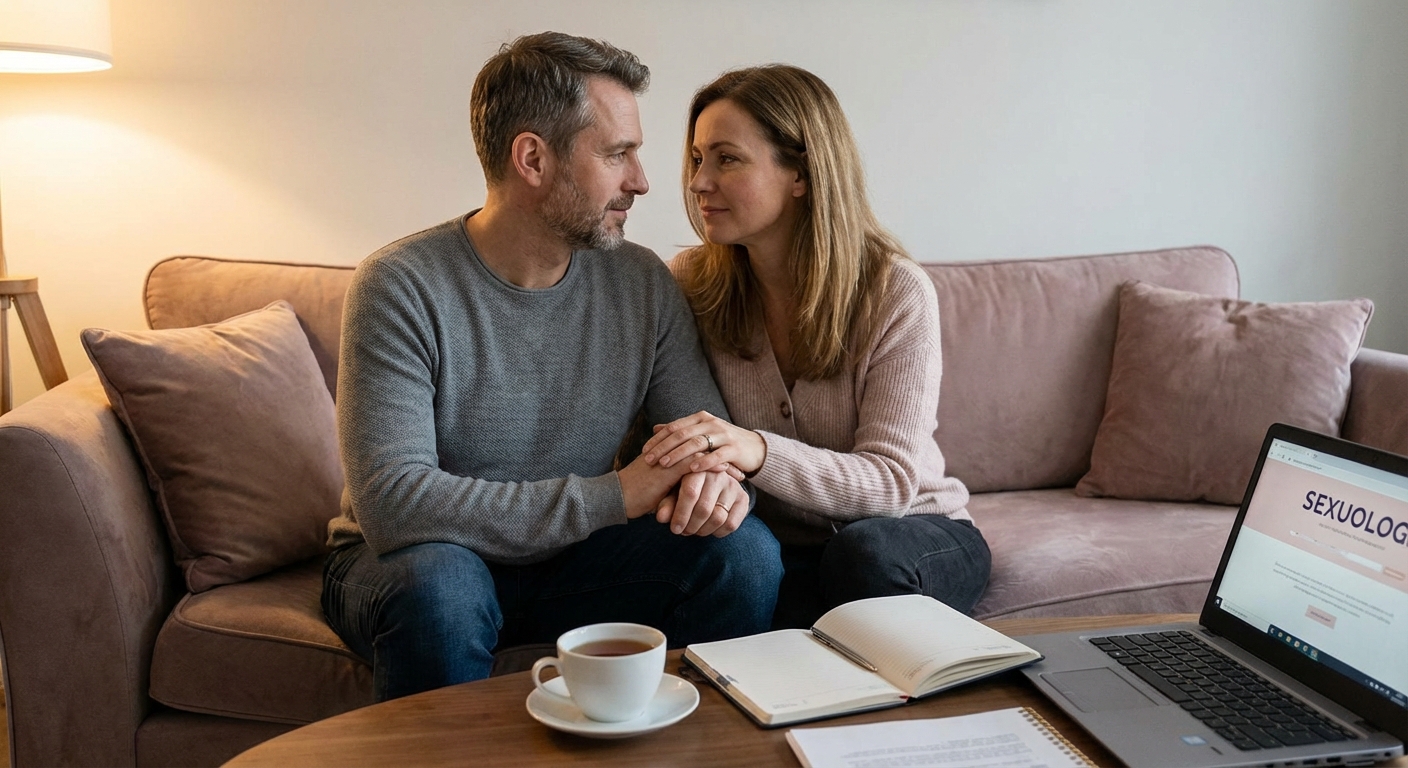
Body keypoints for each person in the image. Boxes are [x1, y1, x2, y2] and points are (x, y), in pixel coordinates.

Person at [321, 32, 782, 702]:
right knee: (442, 591)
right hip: (417, 561)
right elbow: (395, 503)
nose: (642, 181)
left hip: (575, 561)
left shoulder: (641, 282)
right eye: (617, 154)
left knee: (744, 554)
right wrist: (615, 495)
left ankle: (692, 747)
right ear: (533, 159)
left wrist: (716, 485)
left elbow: (700, 439)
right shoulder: (400, 285)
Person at [642, 64, 990, 629]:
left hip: (912, 530)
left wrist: (756, 449)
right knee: (734, 560)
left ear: (801, 175)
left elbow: (891, 484)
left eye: (727, 159)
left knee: (863, 555)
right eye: (698, 159)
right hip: (782, 543)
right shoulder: (690, 284)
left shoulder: (894, 291)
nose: (699, 182)